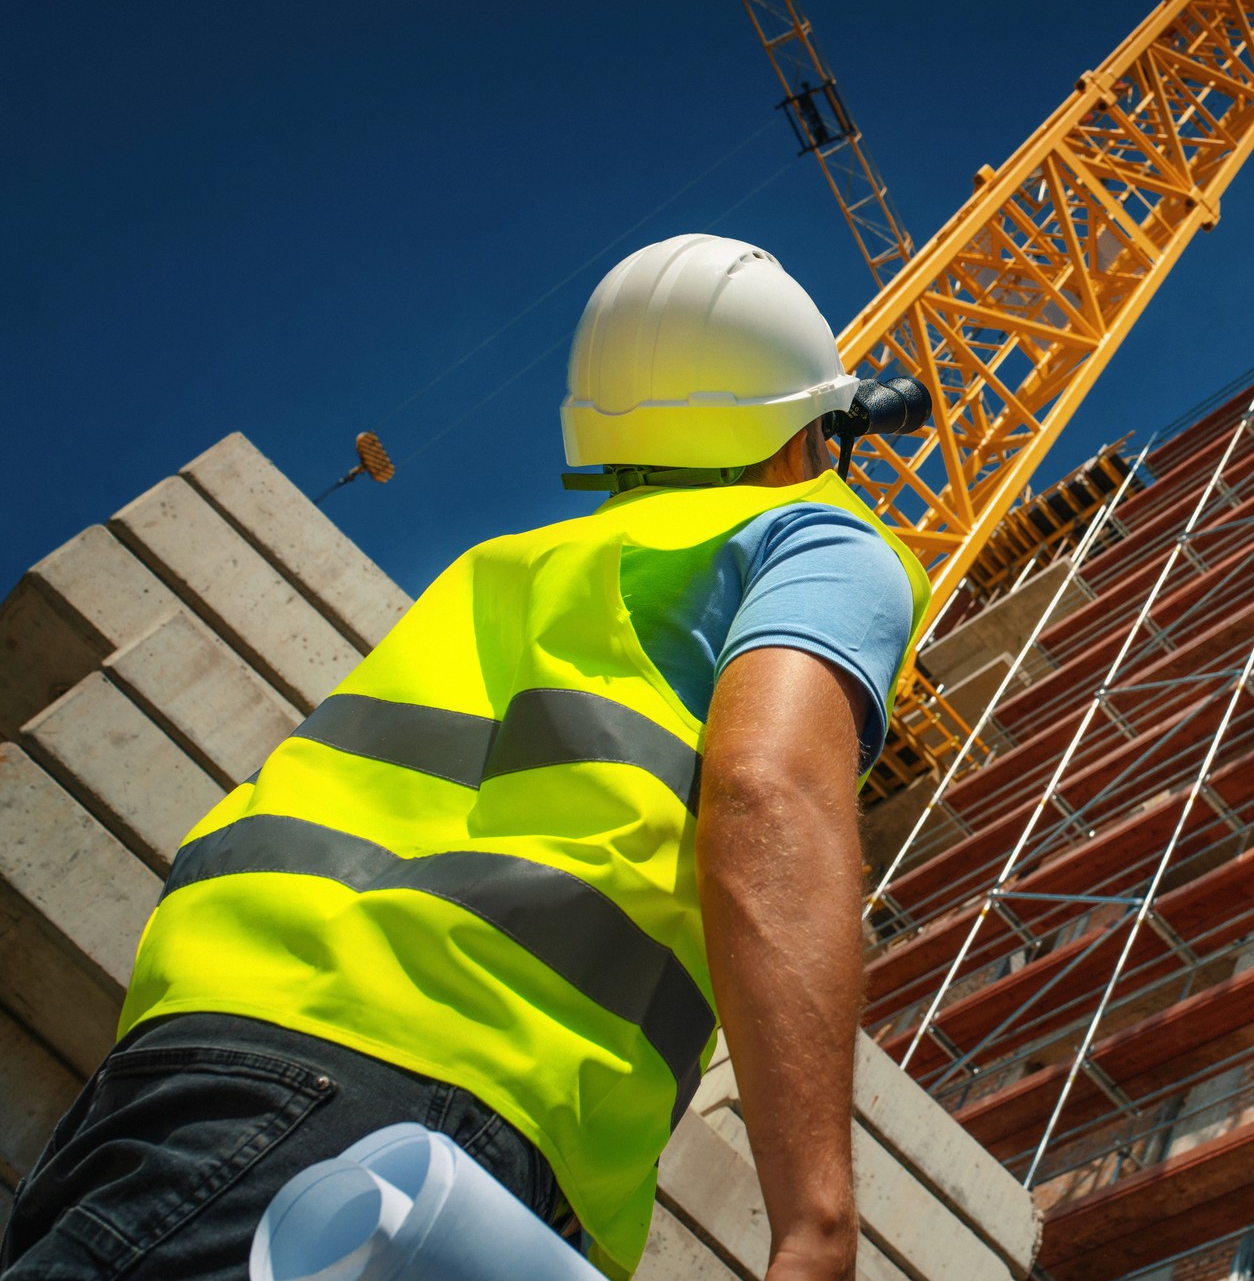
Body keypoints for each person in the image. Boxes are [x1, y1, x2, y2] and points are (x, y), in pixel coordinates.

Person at [0, 235, 929, 1281]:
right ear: (799, 433)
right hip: (424, 1112)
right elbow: (772, 791)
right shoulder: (815, 536)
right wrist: (817, 1226)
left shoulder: (506, 567)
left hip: (176, 1064)